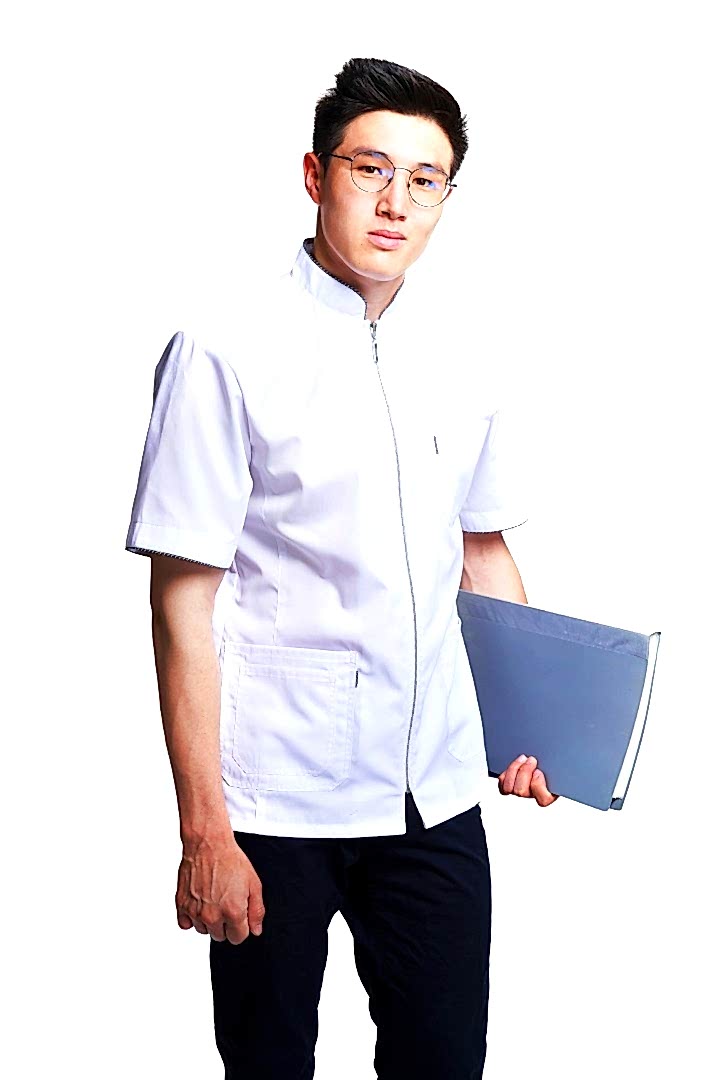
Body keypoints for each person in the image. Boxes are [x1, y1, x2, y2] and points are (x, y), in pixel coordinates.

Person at [125, 56, 558, 1080]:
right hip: (273, 799)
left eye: (424, 179)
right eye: (371, 169)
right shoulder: (224, 348)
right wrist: (204, 830)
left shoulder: (469, 350)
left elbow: (482, 551)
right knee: (268, 1065)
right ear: (316, 175)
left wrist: (529, 728)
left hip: (431, 796)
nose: (395, 202)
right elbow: (182, 600)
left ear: (446, 197)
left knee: (442, 1063)